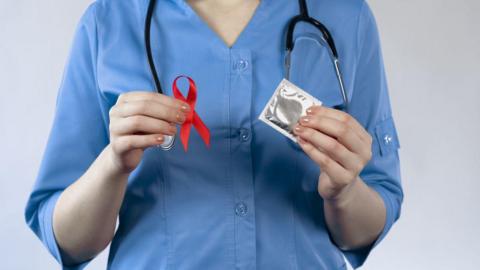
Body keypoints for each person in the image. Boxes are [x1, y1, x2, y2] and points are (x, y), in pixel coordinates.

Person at [25, 0, 403, 269]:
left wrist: (345, 191)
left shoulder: (345, 17)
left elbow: (369, 225)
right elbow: (67, 244)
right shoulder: (106, 23)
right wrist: (113, 165)